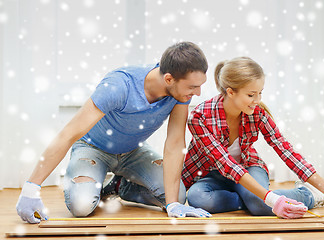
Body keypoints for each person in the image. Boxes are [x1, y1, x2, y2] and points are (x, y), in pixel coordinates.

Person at [16, 41, 212, 224]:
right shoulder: (119, 86)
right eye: (193, 87)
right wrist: (31, 188)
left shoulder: (179, 92)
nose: (198, 93)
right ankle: (90, 180)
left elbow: (175, 143)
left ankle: (118, 186)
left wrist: (172, 205)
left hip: (133, 152)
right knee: (81, 206)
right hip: (93, 148)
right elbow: (68, 134)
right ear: (169, 79)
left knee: (177, 195)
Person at [181, 57, 324, 219]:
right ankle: (252, 199)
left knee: (259, 203)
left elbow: (286, 151)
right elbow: (225, 163)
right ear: (231, 92)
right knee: (197, 198)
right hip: (212, 173)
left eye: (260, 93)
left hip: (248, 166)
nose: (257, 100)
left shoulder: (258, 114)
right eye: (251, 95)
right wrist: (270, 199)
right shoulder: (199, 117)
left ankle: (307, 195)